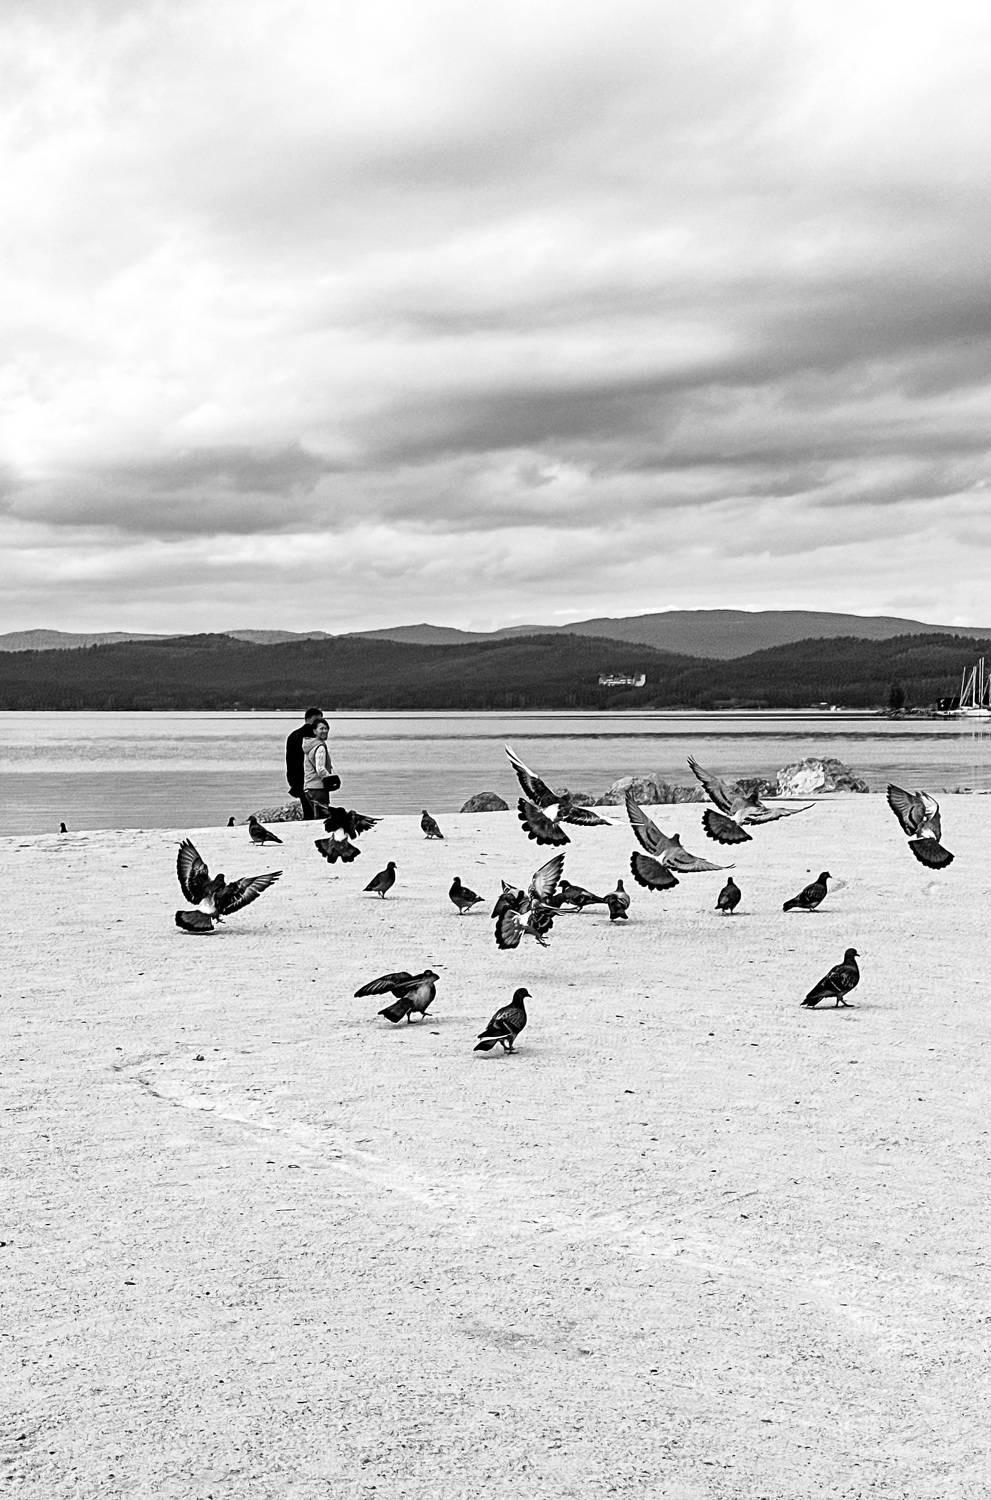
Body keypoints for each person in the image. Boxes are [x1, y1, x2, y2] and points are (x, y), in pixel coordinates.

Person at [286, 707, 323, 820]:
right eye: (317, 720)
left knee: (308, 807)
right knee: (316, 808)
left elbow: (289, 760)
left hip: (297, 776)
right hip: (309, 777)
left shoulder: (293, 735)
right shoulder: (313, 736)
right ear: (309, 719)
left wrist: (292, 779)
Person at [302, 718, 339, 817]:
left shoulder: (309, 746)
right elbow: (320, 769)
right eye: (321, 729)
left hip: (309, 786)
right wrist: (331, 779)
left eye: (326, 728)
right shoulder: (320, 747)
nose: (325, 731)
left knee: (315, 816)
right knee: (322, 817)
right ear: (314, 731)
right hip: (319, 788)